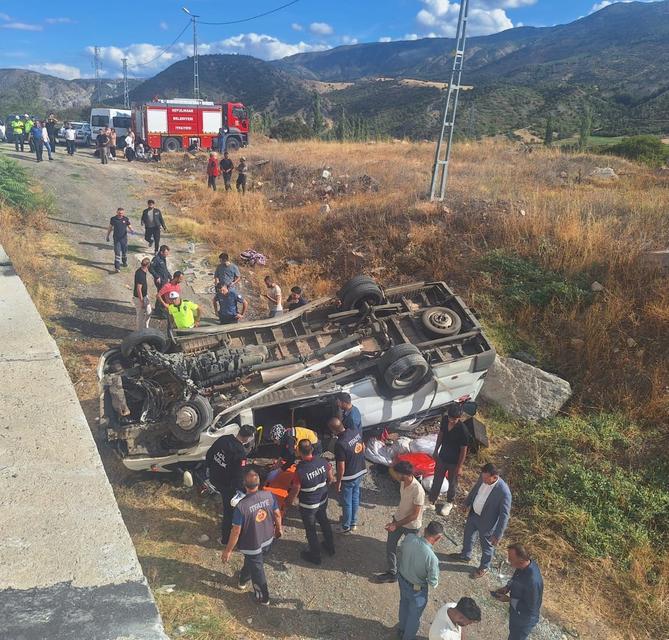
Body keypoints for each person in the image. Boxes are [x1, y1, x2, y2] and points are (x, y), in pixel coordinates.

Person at [222, 469, 282, 606]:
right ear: (259, 482)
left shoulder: (241, 507)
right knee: (253, 564)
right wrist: (279, 529)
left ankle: (263, 598)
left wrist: (228, 551)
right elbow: (277, 514)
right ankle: (243, 580)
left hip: (252, 545)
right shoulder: (269, 496)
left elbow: (236, 531)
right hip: (267, 538)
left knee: (258, 571)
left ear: (244, 484)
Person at [447, 462, 512, 579]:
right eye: (482, 477)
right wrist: (466, 503)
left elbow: (504, 516)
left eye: (486, 479)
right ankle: (465, 555)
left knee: (487, 547)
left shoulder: (504, 492)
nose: (483, 480)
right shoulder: (483, 477)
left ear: (495, 477)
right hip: (474, 514)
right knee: (468, 535)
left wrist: (497, 535)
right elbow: (475, 490)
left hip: (487, 523)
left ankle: (484, 567)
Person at [375, 460, 426, 584]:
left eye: (398, 474)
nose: (396, 476)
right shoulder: (403, 482)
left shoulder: (418, 491)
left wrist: (395, 524)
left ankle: (409, 573)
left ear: (405, 474)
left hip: (411, 526)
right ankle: (392, 573)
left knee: (408, 551)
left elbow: (415, 515)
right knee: (390, 546)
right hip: (398, 519)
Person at [206, 424, 256, 545]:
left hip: (214, 478)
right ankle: (226, 539)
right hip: (227, 486)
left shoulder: (224, 439)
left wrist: (209, 469)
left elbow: (210, 453)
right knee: (229, 513)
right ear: (247, 438)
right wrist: (242, 491)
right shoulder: (240, 453)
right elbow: (238, 476)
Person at [287, 439, 335, 565]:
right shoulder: (323, 461)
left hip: (308, 506)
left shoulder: (300, 470)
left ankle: (315, 556)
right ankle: (330, 547)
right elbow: (331, 478)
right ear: (312, 449)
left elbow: (295, 489)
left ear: (299, 452)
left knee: (311, 530)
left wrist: (289, 502)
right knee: (324, 521)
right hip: (322, 500)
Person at [396, 521, 443, 640]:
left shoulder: (410, 538)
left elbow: (400, 550)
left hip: (402, 579)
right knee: (414, 616)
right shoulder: (432, 558)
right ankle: (407, 637)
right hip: (416, 589)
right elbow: (433, 582)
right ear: (438, 538)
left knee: (404, 604)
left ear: (425, 530)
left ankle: (401, 629)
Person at [492, 543, 543, 640]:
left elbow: (531, 607)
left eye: (511, 558)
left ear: (521, 560)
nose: (508, 560)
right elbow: (515, 578)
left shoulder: (532, 582)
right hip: (516, 613)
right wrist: (507, 588)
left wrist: (509, 599)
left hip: (524, 619)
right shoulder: (523, 566)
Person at [328, 416, 366, 534]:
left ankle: (345, 527)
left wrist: (338, 482)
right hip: (360, 470)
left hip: (349, 476)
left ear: (333, 431)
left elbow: (341, 467)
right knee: (355, 497)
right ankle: (353, 522)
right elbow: (362, 447)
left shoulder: (340, 444)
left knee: (347, 502)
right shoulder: (354, 431)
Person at [429, 404, 469, 516]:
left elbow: (463, 451)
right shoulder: (445, 420)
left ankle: (449, 502)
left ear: (459, 418)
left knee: (452, 483)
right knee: (437, 479)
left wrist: (459, 467)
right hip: (442, 457)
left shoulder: (463, 430)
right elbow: (440, 435)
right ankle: (432, 500)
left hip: (454, 461)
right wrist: (436, 450)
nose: (452, 421)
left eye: (454, 419)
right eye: (451, 418)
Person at [106, 207, 134, 272]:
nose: (120, 214)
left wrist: (132, 230)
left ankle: (124, 262)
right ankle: (117, 267)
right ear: (117, 212)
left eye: (121, 213)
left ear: (123, 213)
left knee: (124, 253)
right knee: (117, 253)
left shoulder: (125, 219)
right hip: (116, 240)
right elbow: (110, 227)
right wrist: (107, 236)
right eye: (119, 213)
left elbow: (129, 225)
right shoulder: (113, 219)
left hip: (124, 239)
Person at [133, 257, 152, 330]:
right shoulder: (140, 274)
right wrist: (141, 301)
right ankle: (139, 331)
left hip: (144, 296)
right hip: (139, 298)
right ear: (148, 265)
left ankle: (146, 327)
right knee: (140, 315)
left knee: (149, 312)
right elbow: (138, 289)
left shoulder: (142, 271)